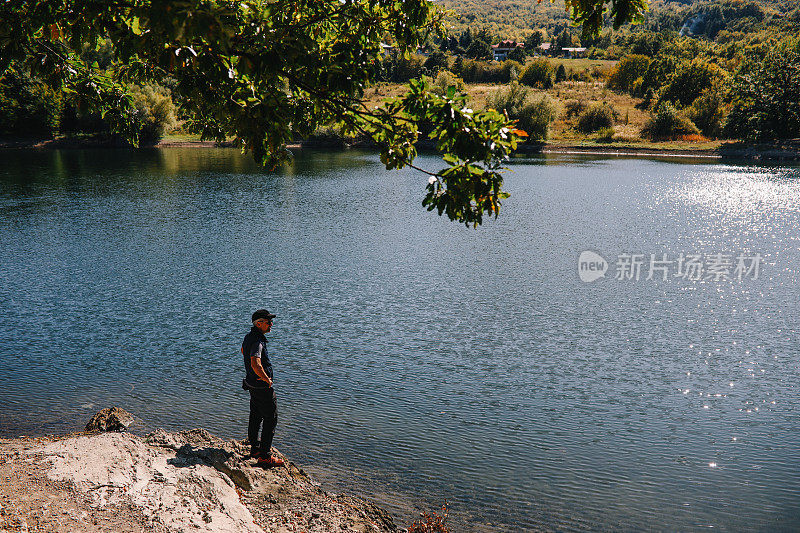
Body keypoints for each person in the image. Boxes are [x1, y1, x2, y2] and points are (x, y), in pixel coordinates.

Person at [242, 309, 284, 467]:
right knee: (270, 419)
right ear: (258, 324)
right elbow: (255, 362)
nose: (271, 324)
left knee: (256, 415)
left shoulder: (249, 337)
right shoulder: (258, 341)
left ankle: (255, 449)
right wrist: (267, 379)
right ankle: (265, 457)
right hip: (261, 386)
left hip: (251, 384)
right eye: (268, 322)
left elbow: (243, 352)